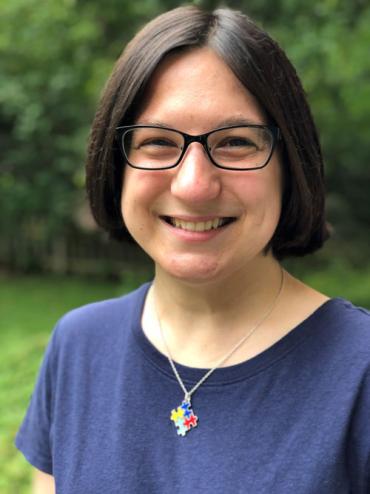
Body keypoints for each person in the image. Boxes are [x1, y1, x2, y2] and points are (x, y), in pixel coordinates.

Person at [16, 5, 370, 494]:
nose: (194, 185)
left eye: (235, 143)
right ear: (114, 166)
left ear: (291, 166)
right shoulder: (77, 347)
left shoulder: (361, 369)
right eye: (159, 142)